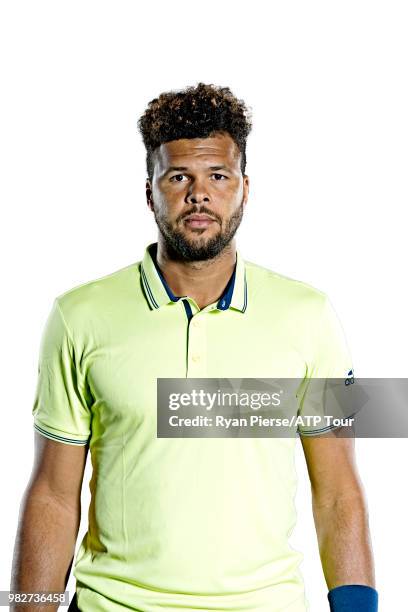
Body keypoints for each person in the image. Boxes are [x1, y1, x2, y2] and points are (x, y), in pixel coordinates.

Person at [11, 83, 377, 612]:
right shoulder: (77, 317)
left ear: (245, 189)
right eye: (179, 177)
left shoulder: (312, 316)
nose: (198, 195)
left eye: (218, 177)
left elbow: (339, 488)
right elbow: (51, 493)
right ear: (150, 191)